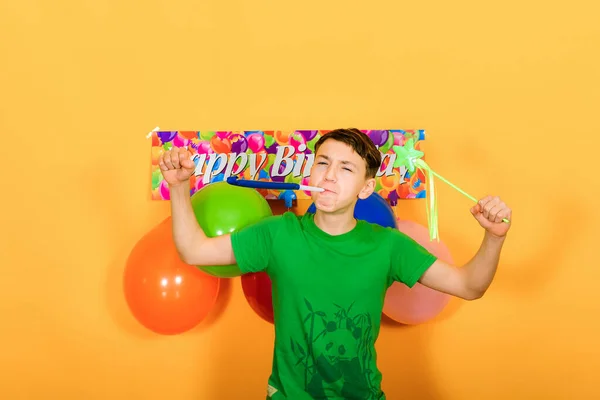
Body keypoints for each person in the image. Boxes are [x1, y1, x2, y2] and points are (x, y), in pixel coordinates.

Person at [158, 128, 512, 400]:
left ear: (365, 188)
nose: (328, 175)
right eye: (323, 163)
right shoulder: (278, 234)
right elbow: (194, 251)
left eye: (346, 168)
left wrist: (494, 237)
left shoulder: (387, 245)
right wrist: (178, 187)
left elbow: (470, 285)